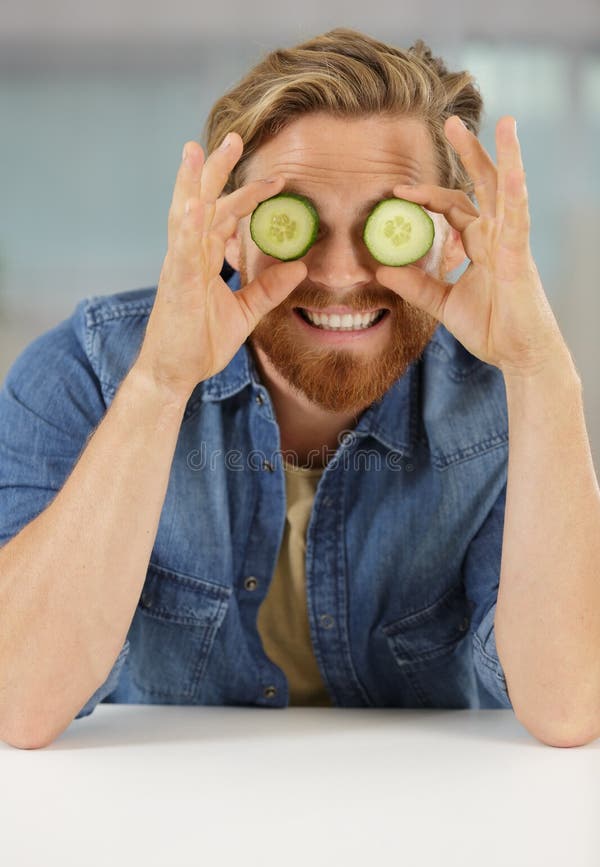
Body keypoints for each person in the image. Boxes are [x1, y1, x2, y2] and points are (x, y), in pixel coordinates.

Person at [1, 28, 598, 751]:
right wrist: (160, 383)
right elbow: (19, 699)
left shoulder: (502, 400)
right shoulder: (84, 371)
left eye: (387, 225)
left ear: (447, 238)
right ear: (228, 233)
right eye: (296, 222)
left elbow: (572, 707)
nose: (343, 273)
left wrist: (540, 368)